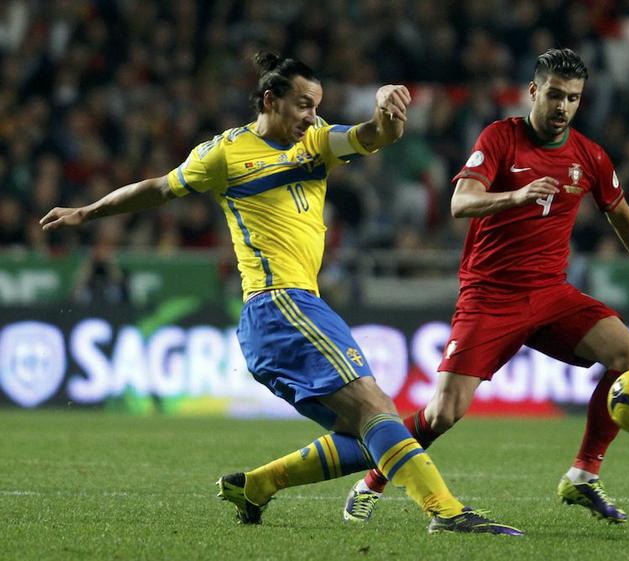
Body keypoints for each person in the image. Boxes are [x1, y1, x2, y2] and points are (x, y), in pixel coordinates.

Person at [40, 52, 522, 536]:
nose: (312, 116)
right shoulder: (224, 154)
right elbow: (159, 189)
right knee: (376, 409)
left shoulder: (316, 142)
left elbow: (378, 136)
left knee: (363, 430)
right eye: (304, 105)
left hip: (286, 313)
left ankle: (257, 485)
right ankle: (446, 511)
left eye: (317, 107)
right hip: (279, 304)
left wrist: (385, 109)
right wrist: (87, 212)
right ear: (270, 100)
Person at [343, 48, 629, 525]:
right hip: (490, 295)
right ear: (534, 91)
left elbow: (620, 211)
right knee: (443, 414)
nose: (562, 106)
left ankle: (583, 476)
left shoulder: (589, 155)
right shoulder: (500, 138)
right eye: (555, 94)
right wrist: (517, 195)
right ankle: (372, 480)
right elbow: (460, 202)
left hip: (551, 294)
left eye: (573, 98)